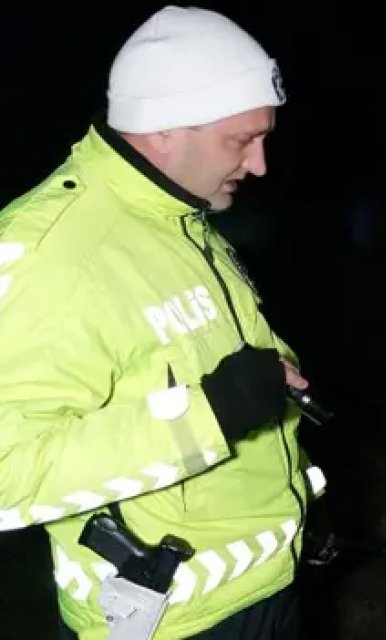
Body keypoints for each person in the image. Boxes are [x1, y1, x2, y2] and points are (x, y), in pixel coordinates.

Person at [0, 6, 326, 639]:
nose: (260, 165)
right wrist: (210, 414)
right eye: (241, 141)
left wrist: (281, 510)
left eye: (264, 138)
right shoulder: (55, 255)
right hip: (167, 621)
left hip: (261, 587)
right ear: (163, 131)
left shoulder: (176, 220)